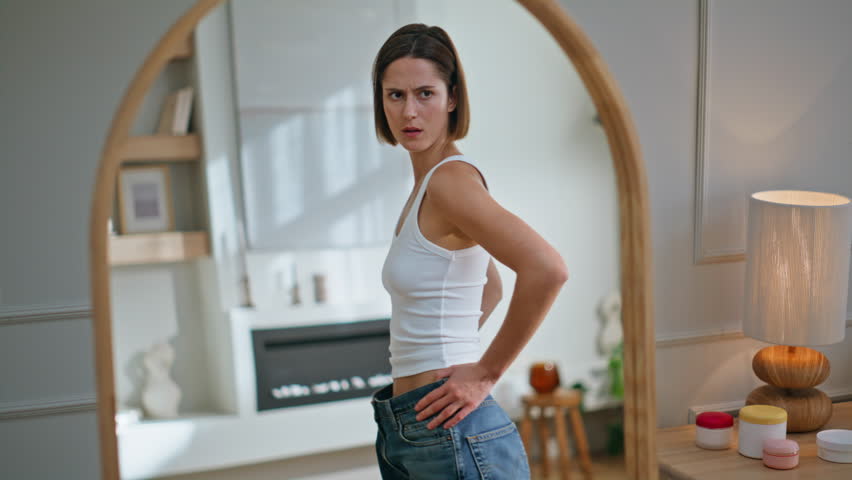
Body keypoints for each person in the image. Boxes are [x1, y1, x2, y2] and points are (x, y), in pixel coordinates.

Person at [370, 23, 569, 479]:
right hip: (413, 424)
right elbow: (490, 286)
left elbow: (547, 269)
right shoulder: (427, 184)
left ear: (452, 98)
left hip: (449, 432)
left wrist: (482, 374)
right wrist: (447, 349)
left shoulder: (450, 182)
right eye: (394, 95)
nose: (409, 112)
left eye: (425, 93)